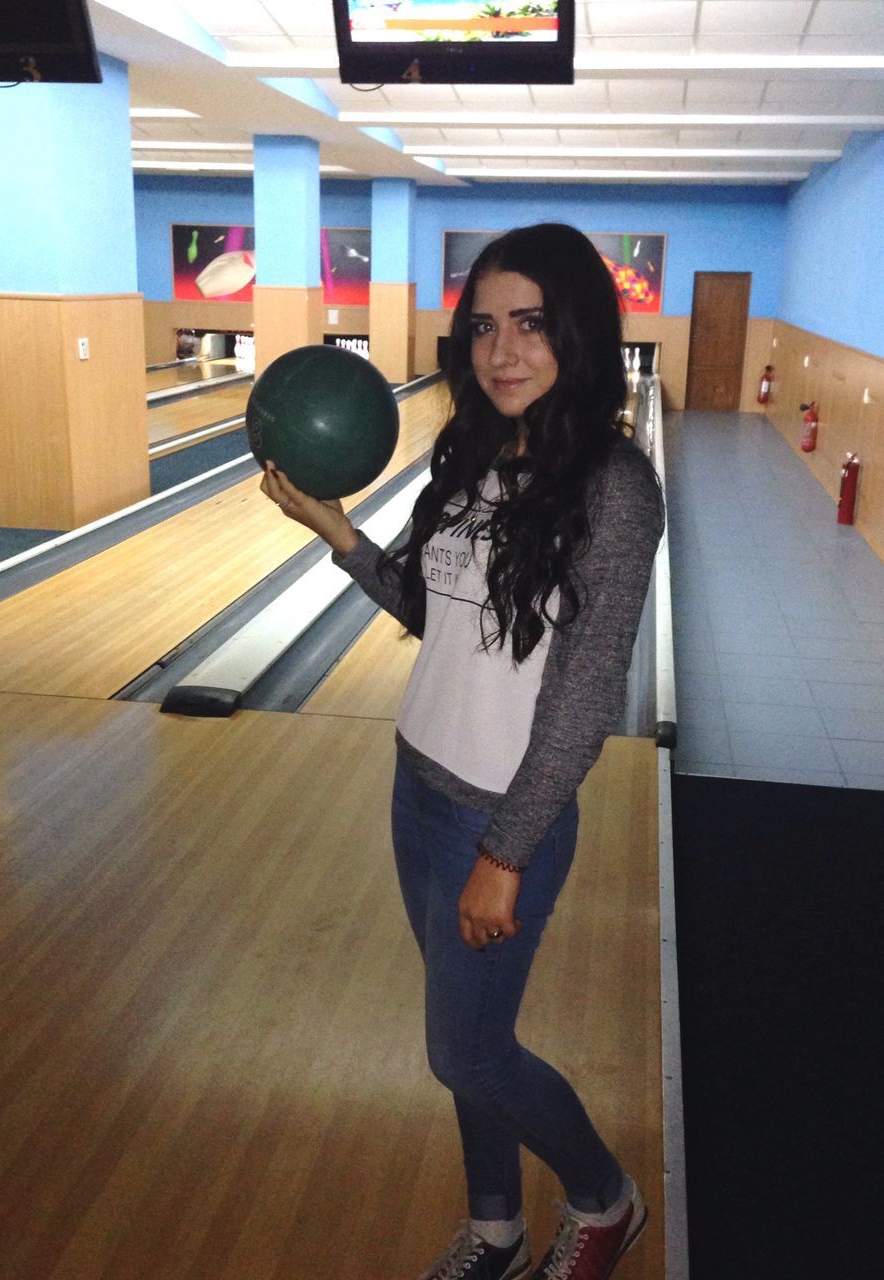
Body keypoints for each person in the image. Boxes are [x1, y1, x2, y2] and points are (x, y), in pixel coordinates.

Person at [261, 222, 665, 1280]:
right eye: (484, 326)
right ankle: (496, 1229)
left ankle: (604, 1197)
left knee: (467, 1047)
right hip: (416, 790)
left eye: (530, 323)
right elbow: (429, 612)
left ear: (576, 331)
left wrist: (509, 848)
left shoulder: (615, 490)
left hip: (499, 816)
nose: (502, 351)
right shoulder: (476, 455)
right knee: (467, 1046)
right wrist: (335, 530)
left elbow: (584, 698)